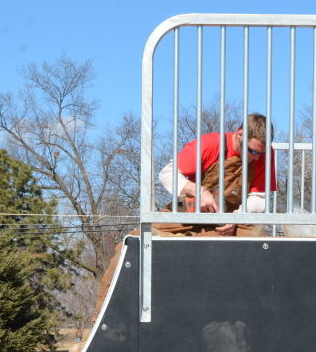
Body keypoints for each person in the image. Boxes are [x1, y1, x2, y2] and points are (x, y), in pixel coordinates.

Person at [90, 114, 278, 320]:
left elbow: (258, 198)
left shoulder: (264, 153)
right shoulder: (210, 144)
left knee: (258, 245)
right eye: (252, 151)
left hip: (231, 215)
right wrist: (197, 190)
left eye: (260, 153)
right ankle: (103, 321)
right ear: (239, 134)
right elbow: (167, 173)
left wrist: (236, 219)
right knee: (134, 244)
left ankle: (250, 318)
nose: (256, 158)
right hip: (188, 206)